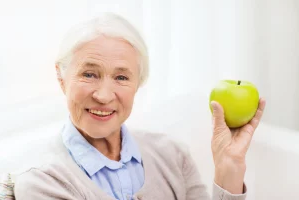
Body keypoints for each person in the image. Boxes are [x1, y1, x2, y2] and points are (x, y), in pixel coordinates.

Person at [14, 13, 266, 200]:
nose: (103, 95)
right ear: (61, 78)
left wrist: (228, 166)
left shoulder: (173, 155)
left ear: (139, 83)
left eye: (121, 77)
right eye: (89, 74)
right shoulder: (41, 182)